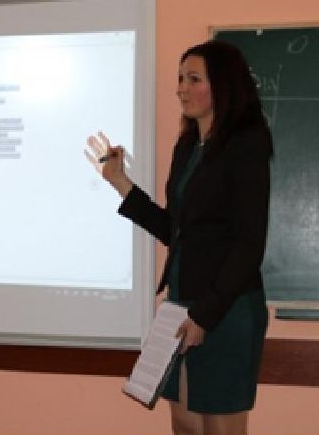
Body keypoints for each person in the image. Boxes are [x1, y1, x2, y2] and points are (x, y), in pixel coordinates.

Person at [86, 39, 273, 435]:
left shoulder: (245, 145)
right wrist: (120, 183)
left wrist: (206, 315)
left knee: (219, 429)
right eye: (180, 79)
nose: (181, 89)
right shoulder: (188, 148)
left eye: (193, 79)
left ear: (222, 85)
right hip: (182, 305)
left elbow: (249, 244)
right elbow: (177, 231)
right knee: (186, 424)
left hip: (226, 309)